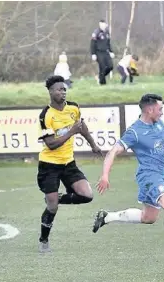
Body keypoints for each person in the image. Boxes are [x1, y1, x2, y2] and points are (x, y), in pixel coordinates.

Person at [92, 93, 164, 261]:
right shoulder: (135, 132)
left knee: (149, 218)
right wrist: (105, 175)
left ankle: (107, 217)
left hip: (157, 176)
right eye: (160, 109)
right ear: (149, 109)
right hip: (149, 177)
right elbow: (113, 152)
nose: (162, 112)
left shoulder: (159, 124)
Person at [37, 75, 103, 253]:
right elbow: (51, 144)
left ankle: (55, 198)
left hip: (68, 163)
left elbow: (82, 127)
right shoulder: (46, 115)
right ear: (50, 92)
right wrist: (72, 131)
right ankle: (44, 240)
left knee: (87, 195)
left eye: (64, 89)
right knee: (52, 208)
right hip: (49, 165)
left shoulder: (73, 108)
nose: (63, 92)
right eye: (59, 89)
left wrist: (93, 145)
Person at [91, 20, 115, 85]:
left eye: (104, 24)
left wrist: (111, 51)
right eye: (101, 24)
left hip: (106, 52)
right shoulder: (96, 32)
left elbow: (108, 43)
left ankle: (100, 78)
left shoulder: (107, 32)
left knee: (110, 66)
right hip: (99, 52)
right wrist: (93, 53)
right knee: (102, 67)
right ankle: (102, 83)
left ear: (106, 25)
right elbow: (93, 43)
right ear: (99, 24)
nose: (103, 26)